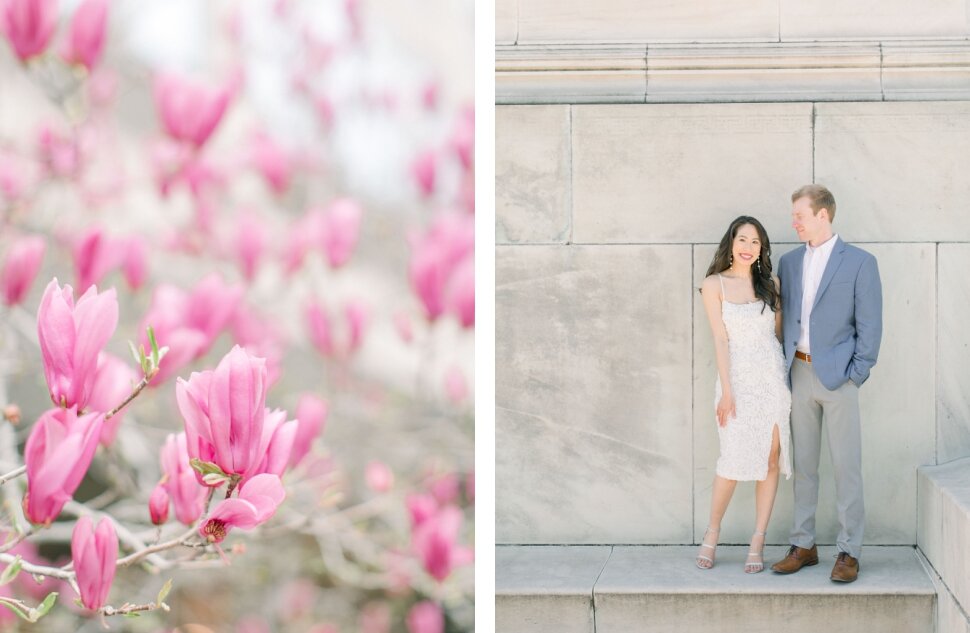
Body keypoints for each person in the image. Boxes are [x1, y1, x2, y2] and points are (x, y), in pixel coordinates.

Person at [770, 185, 882, 583]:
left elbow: (870, 327)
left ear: (823, 215)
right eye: (793, 215)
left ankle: (849, 550)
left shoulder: (860, 263)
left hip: (839, 378)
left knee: (846, 466)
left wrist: (855, 374)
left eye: (800, 215)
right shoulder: (788, 261)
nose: (794, 222)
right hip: (797, 374)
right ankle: (804, 544)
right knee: (804, 466)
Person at [695, 216, 792, 573]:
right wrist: (727, 391)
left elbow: (777, 337)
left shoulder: (773, 286)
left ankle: (758, 540)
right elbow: (720, 339)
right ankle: (712, 532)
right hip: (736, 380)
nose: (748, 247)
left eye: (755, 242)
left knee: (770, 458)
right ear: (731, 243)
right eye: (742, 240)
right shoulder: (714, 284)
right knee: (733, 460)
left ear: (762, 248)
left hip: (772, 381)